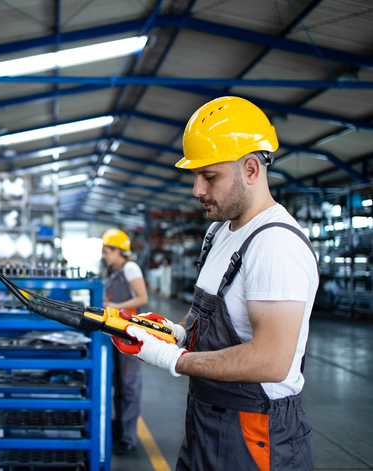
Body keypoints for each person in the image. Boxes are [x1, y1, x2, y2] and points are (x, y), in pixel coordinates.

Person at [116, 96, 319, 470]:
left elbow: (272, 361)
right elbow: (206, 312)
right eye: (196, 176)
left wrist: (174, 358)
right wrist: (175, 333)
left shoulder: (275, 244)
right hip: (206, 419)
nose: (197, 189)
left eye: (209, 176)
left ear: (252, 170)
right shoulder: (221, 232)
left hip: (255, 432)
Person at [101, 229, 149, 456]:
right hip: (117, 333)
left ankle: (128, 437)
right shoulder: (115, 272)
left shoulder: (130, 268)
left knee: (129, 385)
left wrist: (114, 305)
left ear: (119, 250)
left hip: (129, 335)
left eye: (107, 251)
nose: (105, 256)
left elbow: (142, 298)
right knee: (119, 385)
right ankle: (120, 430)